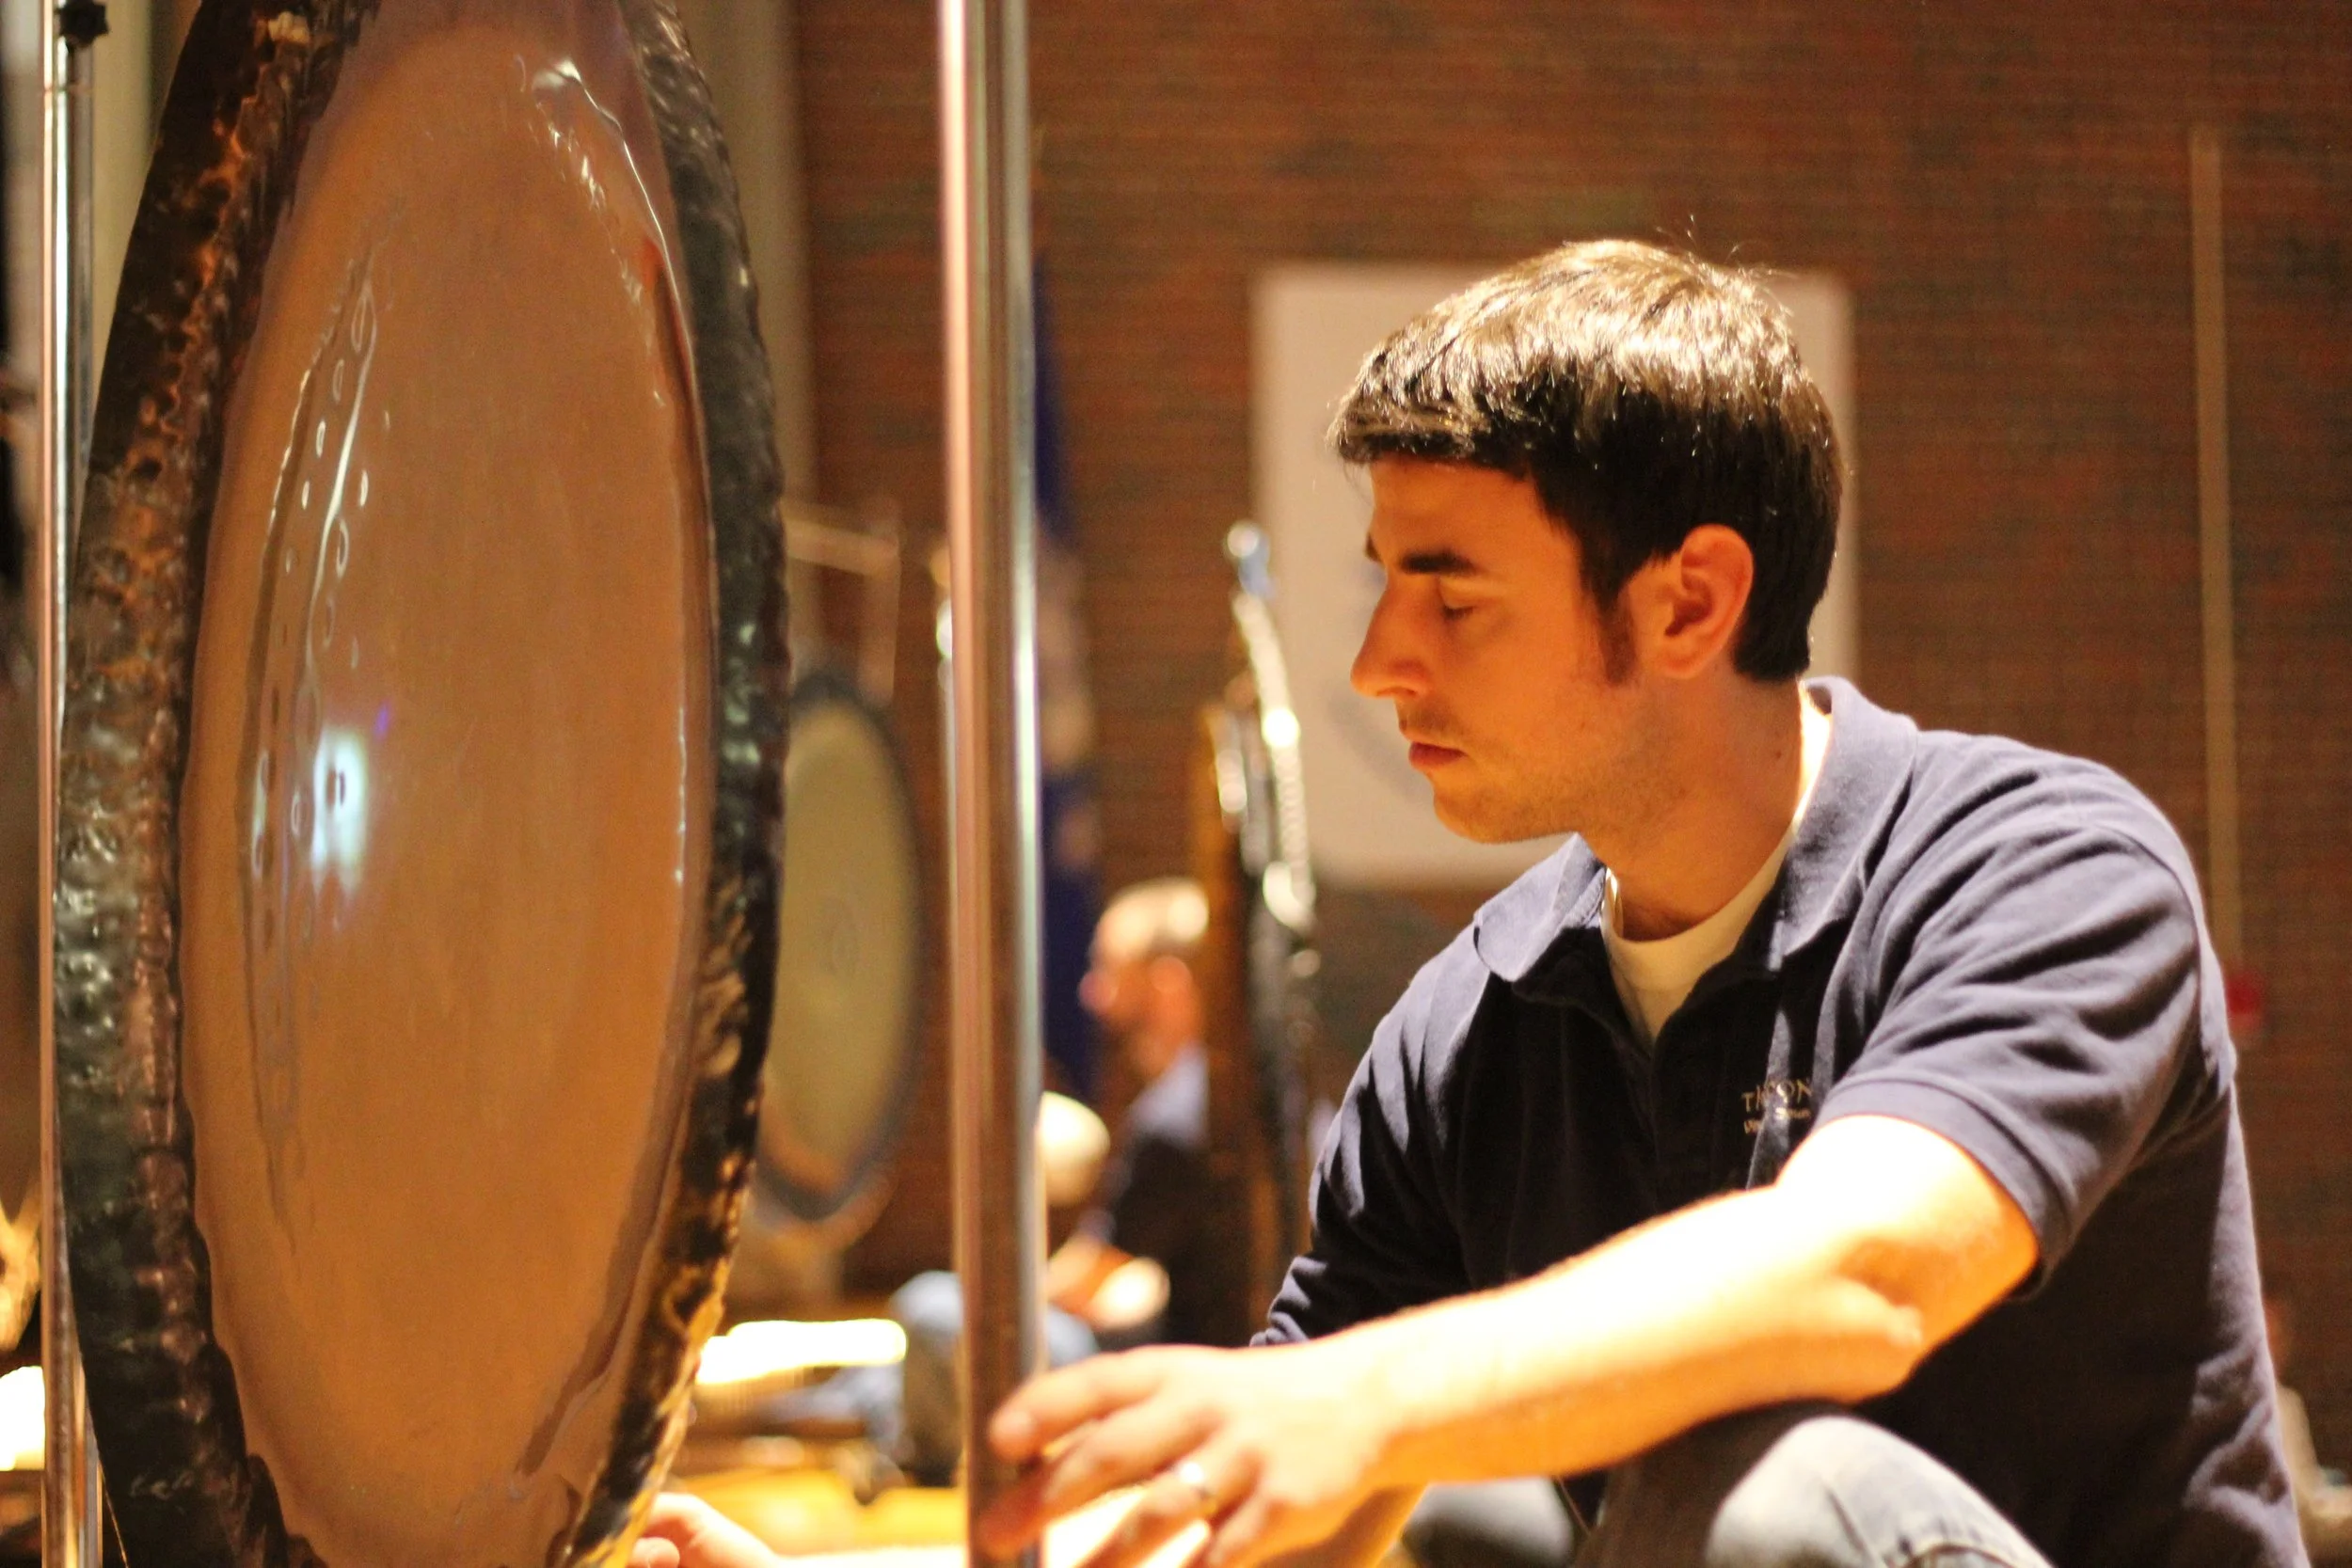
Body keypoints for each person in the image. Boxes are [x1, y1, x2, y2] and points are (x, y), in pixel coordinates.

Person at [638, 239, 2303, 1568]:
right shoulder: (1471, 1019)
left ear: (1690, 601)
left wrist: (1373, 1401)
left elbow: (1863, 1274)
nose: (1376, 661)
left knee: (1756, 1489)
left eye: (1450, 591)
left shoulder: (2044, 866)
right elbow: (1278, 1494)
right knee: (1459, 1510)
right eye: (1380, 582)